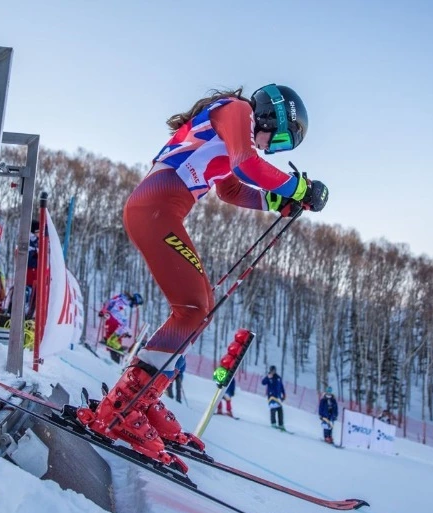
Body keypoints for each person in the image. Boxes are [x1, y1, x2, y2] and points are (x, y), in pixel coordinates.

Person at [73, 84, 328, 471]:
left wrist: (279, 200)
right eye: (275, 141)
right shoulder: (237, 109)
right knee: (191, 309)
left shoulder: (230, 132)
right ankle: (120, 409)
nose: (268, 149)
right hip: (155, 208)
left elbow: (231, 190)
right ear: (269, 114)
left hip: (159, 210)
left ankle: (141, 399)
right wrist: (301, 187)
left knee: (200, 308)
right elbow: (247, 164)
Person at [262, 365, 286, 430]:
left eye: (274, 370)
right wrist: (267, 377)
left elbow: (281, 387)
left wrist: (284, 394)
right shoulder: (269, 377)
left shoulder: (278, 378)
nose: (273, 372)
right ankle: (273, 423)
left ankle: (281, 424)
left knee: (280, 410)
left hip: (278, 397)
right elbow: (263, 382)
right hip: (271, 396)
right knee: (273, 409)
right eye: (272, 370)